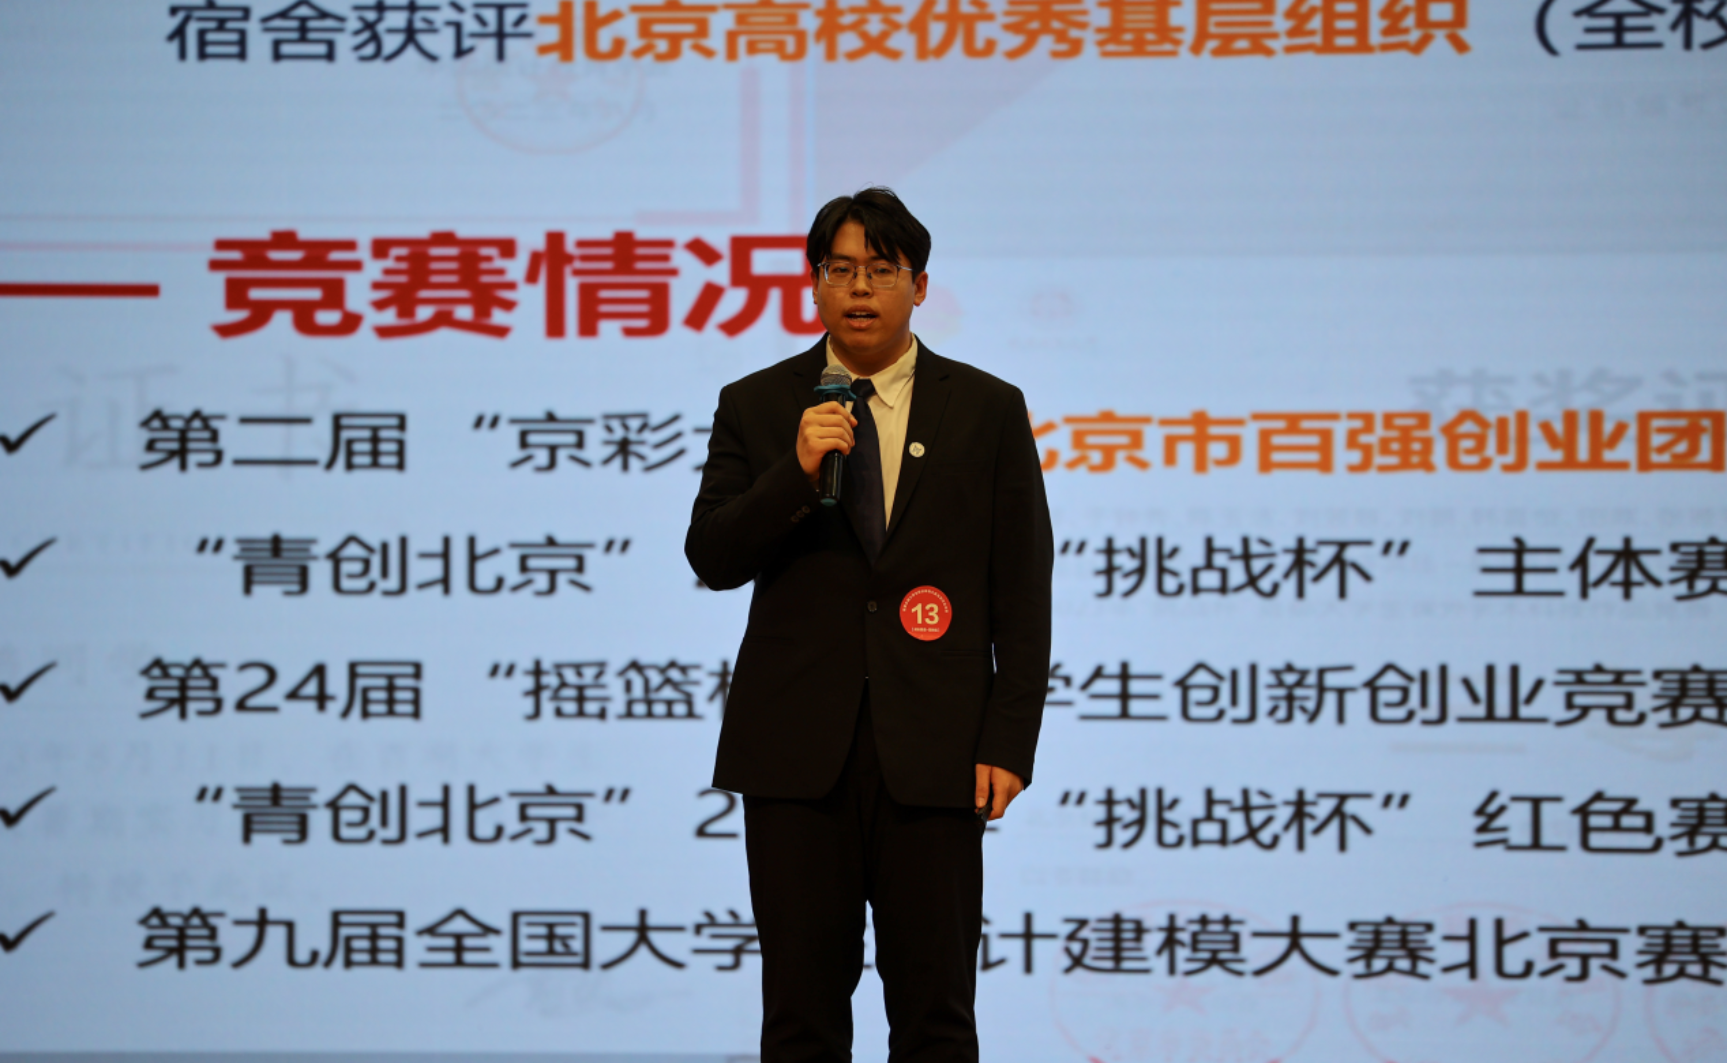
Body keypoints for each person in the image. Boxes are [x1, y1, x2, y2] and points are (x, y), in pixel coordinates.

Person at [685, 187, 1053, 1063]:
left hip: (936, 750)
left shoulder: (987, 407)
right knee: (801, 1015)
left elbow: (1022, 588)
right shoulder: (757, 403)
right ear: (814, 283)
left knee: (935, 1013)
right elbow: (713, 556)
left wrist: (1008, 741)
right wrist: (796, 467)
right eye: (840, 269)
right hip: (794, 754)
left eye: (881, 270)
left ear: (919, 286)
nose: (860, 288)